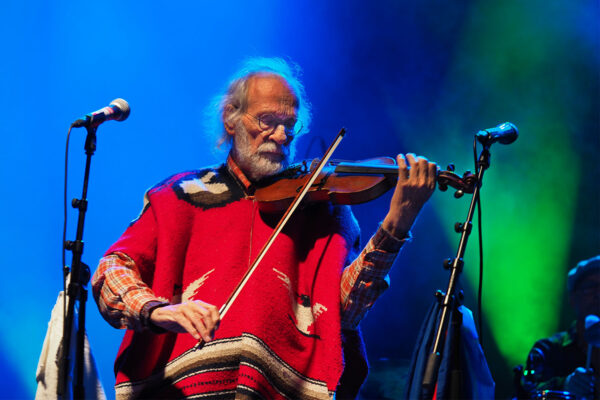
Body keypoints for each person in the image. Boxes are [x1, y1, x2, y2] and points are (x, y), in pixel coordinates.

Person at [91, 57, 438, 399]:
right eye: (267, 120)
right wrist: (158, 311)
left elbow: (343, 313)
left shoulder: (325, 210)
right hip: (182, 390)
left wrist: (396, 224)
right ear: (231, 118)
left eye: (291, 125)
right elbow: (110, 271)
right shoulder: (177, 196)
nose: (281, 135)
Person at [522, 255, 600, 399]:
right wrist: (565, 385)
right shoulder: (547, 350)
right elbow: (528, 392)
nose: (598, 294)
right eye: (590, 287)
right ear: (572, 298)